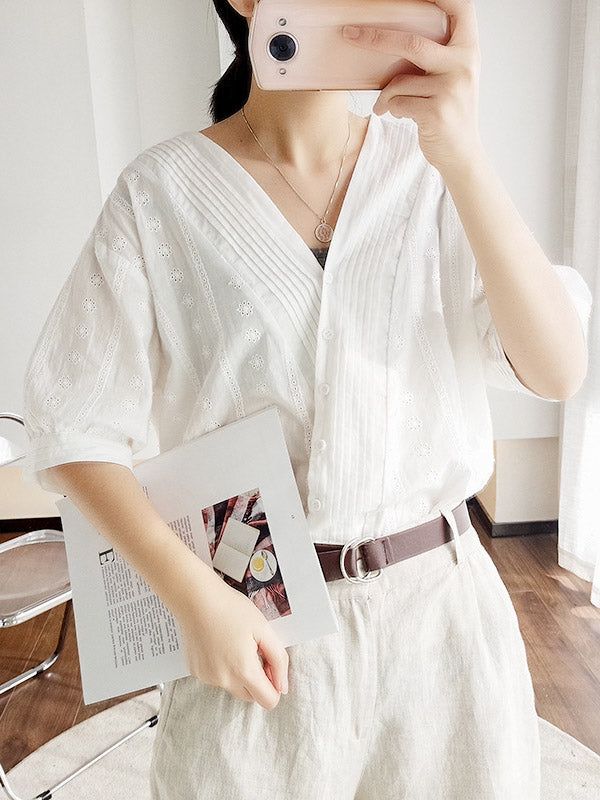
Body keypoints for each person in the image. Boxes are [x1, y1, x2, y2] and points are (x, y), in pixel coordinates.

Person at [23, 0, 592, 798]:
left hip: (444, 625)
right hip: (256, 621)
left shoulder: (433, 167)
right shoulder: (160, 195)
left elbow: (557, 370)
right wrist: (193, 599)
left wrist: (462, 155)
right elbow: (72, 428)